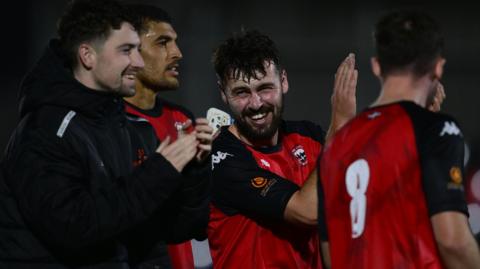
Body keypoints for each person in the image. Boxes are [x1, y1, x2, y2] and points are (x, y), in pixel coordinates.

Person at [0, 0, 208, 268]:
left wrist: (193, 171)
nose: (137, 61)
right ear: (87, 56)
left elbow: (169, 230)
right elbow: (74, 228)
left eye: (137, 49)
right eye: (126, 50)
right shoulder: (48, 130)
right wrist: (159, 172)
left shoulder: (122, 125)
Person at [319, 10, 480, 268]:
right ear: (438, 67)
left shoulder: (334, 145)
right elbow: (454, 242)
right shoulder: (437, 129)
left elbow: (330, 251)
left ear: (376, 66)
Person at [207, 30, 357, 268]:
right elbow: (307, 211)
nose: (256, 104)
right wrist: (340, 126)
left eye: (265, 88)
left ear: (284, 81)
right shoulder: (222, 158)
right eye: (241, 92)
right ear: (223, 93)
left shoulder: (310, 137)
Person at [124, 4, 213, 269]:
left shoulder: (182, 119)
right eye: (163, 42)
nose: (177, 53)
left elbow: (196, 219)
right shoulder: (110, 123)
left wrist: (199, 170)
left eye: (175, 42)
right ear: (131, 51)